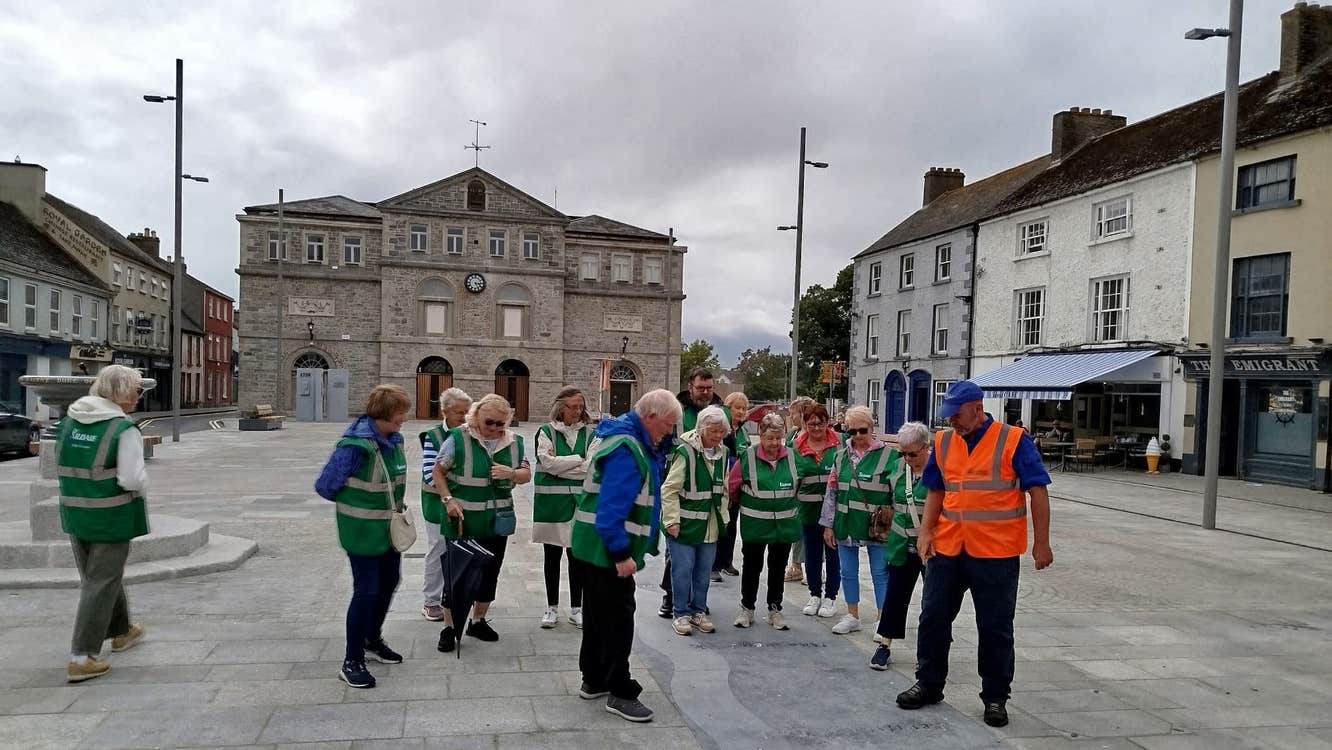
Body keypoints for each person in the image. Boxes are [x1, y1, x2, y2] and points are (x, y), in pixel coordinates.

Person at [896, 381, 1053, 729]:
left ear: (977, 408)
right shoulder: (944, 441)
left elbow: (1038, 492)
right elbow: (935, 490)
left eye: (957, 415)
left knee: (995, 627)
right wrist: (926, 532)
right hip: (948, 548)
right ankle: (929, 683)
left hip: (996, 552)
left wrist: (1041, 543)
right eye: (947, 415)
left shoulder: (1013, 439)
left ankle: (995, 697)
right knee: (933, 617)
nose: (951, 421)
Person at [572, 388, 680, 723]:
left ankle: (594, 678)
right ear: (650, 417)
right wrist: (621, 554)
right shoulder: (628, 449)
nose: (669, 432)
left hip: (592, 547)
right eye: (667, 424)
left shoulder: (624, 440)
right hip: (607, 550)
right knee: (618, 620)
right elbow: (610, 512)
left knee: (597, 616)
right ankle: (620, 689)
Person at [58, 365, 151, 683]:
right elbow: (131, 479)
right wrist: (143, 484)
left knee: (100, 575)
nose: (139, 396)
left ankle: (122, 631)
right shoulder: (123, 429)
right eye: (137, 390)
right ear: (121, 391)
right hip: (111, 515)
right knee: (100, 581)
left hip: (75, 511)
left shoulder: (69, 422)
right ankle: (82, 656)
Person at [315, 384, 412, 689]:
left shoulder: (394, 441)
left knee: (389, 582)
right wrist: (358, 505)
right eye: (401, 413)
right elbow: (326, 485)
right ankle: (352, 660)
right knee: (367, 591)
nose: (404, 418)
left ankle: (372, 639)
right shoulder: (354, 447)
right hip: (361, 533)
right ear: (386, 412)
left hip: (388, 532)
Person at [431, 393, 531, 651]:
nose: (495, 428)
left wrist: (512, 473)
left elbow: (526, 474)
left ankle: (478, 621)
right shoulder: (458, 438)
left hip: (496, 522)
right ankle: (449, 627)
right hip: (462, 521)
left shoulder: (514, 441)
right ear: (475, 417)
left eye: (501, 423)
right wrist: (448, 500)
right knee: (456, 575)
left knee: (489, 573)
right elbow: (438, 471)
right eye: (490, 422)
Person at [661, 368, 730, 617]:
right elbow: (662, 445)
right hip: (680, 484)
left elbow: (728, 448)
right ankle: (672, 598)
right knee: (677, 557)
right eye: (701, 388)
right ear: (690, 386)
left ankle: (696, 604)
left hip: (707, 490)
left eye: (709, 388)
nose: (705, 392)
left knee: (701, 564)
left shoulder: (721, 412)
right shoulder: (676, 411)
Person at [820, 405, 893, 636]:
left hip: (877, 526)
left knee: (880, 572)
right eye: (852, 431)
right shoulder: (841, 456)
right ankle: (852, 615)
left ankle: (883, 619)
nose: (858, 436)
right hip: (846, 521)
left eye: (862, 430)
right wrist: (828, 524)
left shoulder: (890, 456)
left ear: (871, 427)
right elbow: (831, 492)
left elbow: (896, 493)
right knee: (848, 571)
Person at [869, 421, 932, 670]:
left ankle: (931, 652)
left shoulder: (939, 471)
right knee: (895, 597)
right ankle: (884, 644)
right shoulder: (898, 468)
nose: (907, 458)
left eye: (912, 454)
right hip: (900, 546)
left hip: (931, 549)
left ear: (926, 447)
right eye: (903, 453)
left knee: (934, 603)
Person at [730, 412, 800, 631]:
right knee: (752, 567)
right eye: (770, 438)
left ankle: (775, 609)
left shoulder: (792, 456)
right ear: (760, 435)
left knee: (778, 568)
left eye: (778, 438)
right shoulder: (748, 457)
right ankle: (747, 609)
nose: (774, 443)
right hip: (755, 525)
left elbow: (801, 483)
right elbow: (732, 487)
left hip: (784, 526)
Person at [533, 387, 593, 629]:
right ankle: (552, 607)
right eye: (573, 407)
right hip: (551, 505)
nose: (578, 411)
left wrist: (562, 466)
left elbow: (591, 468)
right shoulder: (546, 432)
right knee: (552, 557)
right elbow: (547, 463)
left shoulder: (591, 434)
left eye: (581, 407)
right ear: (560, 407)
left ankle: (577, 608)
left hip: (580, 505)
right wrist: (578, 459)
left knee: (577, 557)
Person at [419, 387, 472, 622]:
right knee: (438, 549)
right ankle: (431, 601)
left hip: (466, 504)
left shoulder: (471, 434)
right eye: (459, 412)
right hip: (437, 503)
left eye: (467, 412)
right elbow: (431, 474)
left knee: (463, 550)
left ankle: (456, 596)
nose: (464, 417)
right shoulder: (433, 436)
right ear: (445, 411)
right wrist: (455, 491)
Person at [793, 404, 840, 619]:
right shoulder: (796, 447)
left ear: (827, 422)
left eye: (820, 423)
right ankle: (814, 594)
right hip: (808, 511)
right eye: (811, 424)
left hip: (834, 513)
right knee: (811, 555)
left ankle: (830, 597)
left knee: (833, 555)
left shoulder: (839, 444)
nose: (816, 428)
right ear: (805, 424)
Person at [710, 391, 750, 581]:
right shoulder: (723, 430)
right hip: (722, 483)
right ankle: (714, 565)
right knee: (720, 523)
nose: (741, 411)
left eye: (744, 408)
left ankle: (727, 561)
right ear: (728, 408)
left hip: (738, 486)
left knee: (732, 524)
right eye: (737, 407)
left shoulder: (743, 432)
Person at [782, 396, 816, 582]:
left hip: (809, 488)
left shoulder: (813, 435)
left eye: (793, 413)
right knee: (796, 526)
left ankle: (812, 567)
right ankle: (796, 565)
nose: (790, 416)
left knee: (808, 528)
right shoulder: (793, 434)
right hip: (792, 486)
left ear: (802, 414)